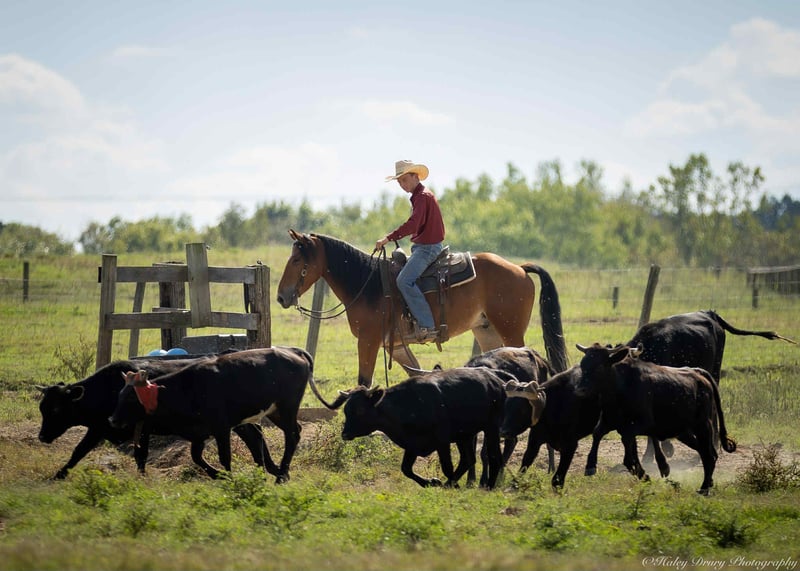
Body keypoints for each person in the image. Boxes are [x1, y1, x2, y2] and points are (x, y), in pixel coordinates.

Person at [375, 160, 445, 343]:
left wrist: (388, 238)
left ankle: (427, 326)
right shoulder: (420, 196)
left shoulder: (422, 197)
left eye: (404, 180)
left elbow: (413, 224)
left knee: (404, 280)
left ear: (415, 176)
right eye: (399, 182)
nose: (402, 185)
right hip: (424, 247)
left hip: (427, 248)